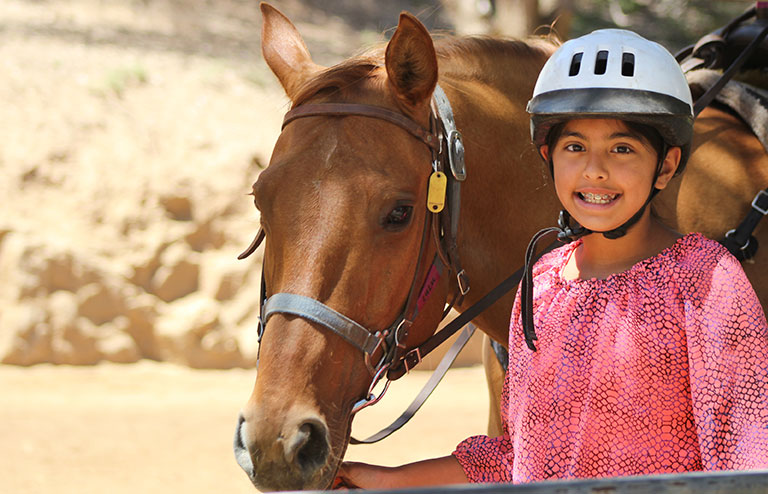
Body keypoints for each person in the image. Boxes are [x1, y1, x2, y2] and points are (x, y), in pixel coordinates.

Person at [335, 29, 768, 489]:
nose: (595, 169)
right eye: (575, 147)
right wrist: (389, 479)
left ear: (665, 165)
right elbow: (518, 456)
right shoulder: (540, 286)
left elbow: (745, 458)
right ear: (549, 157)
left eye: (622, 149)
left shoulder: (706, 280)